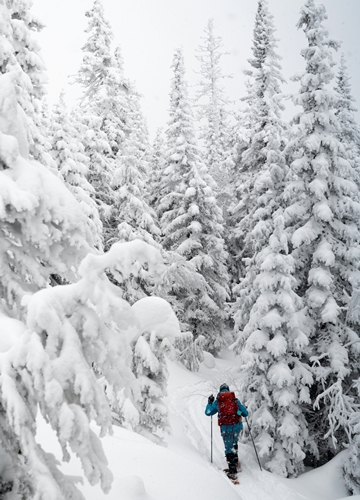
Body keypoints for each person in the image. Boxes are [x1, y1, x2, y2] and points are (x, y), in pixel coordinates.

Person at [205, 383, 248, 480]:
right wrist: (239, 411)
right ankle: (235, 461)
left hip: (226, 429)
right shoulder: (235, 400)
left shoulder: (218, 402)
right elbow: (245, 413)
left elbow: (208, 412)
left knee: (229, 447)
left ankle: (232, 472)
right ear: (228, 390)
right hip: (237, 427)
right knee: (234, 442)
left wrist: (209, 403)